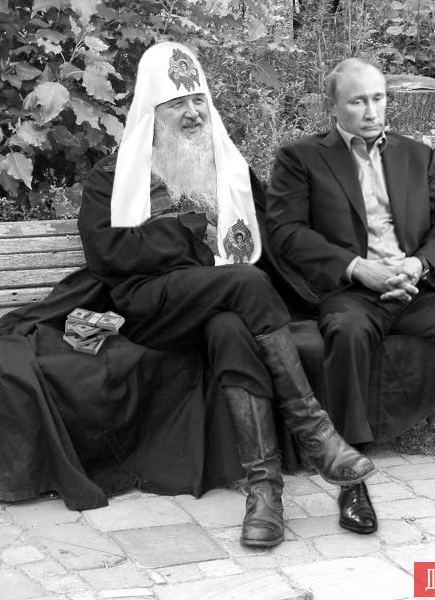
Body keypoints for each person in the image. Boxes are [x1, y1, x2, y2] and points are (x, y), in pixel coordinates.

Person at [78, 42, 376, 548]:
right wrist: (191, 228)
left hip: (227, 303)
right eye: (178, 103)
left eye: (199, 100)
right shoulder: (113, 174)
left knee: (231, 327)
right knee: (244, 283)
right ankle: (317, 433)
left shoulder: (229, 169)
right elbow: (108, 254)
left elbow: (272, 241)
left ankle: (265, 492)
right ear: (153, 111)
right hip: (153, 303)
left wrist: (344, 269)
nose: (193, 112)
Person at [265, 57, 435, 536]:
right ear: (332, 106)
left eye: (378, 98)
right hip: (352, 294)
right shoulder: (301, 158)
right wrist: (359, 267)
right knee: (345, 335)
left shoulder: (415, 155)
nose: (371, 111)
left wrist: (418, 265)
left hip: (411, 291)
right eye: (357, 101)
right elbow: (286, 232)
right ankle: (352, 482)